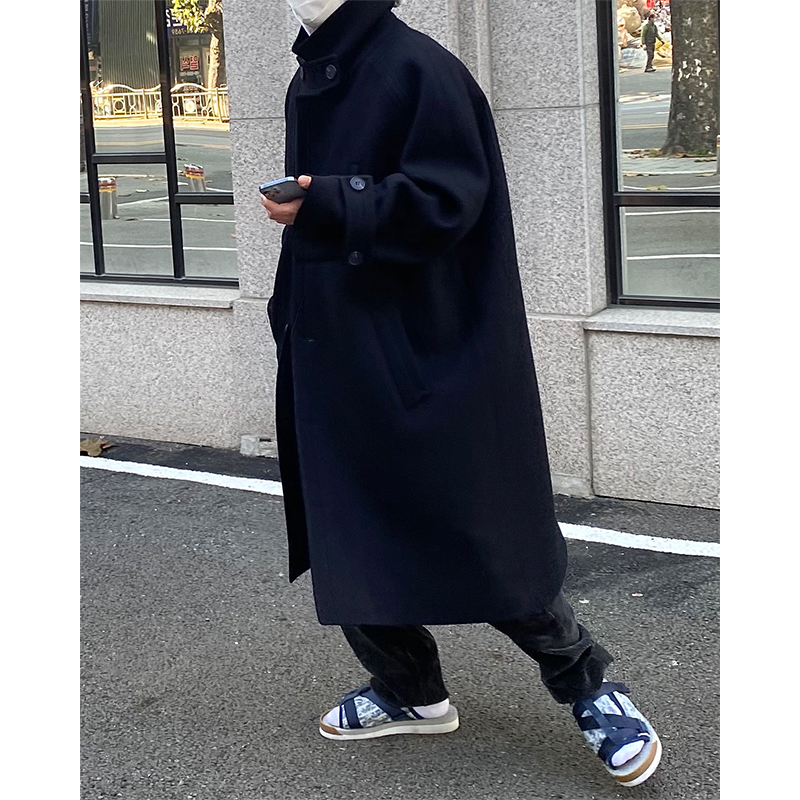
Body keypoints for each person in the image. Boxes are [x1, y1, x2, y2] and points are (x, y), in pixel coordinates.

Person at [260, 0, 661, 789]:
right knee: (348, 527)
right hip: (332, 343)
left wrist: (333, 201)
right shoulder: (312, 76)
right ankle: (409, 690)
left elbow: (451, 200)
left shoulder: (418, 68)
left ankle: (589, 686)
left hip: (414, 344)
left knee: (472, 526)